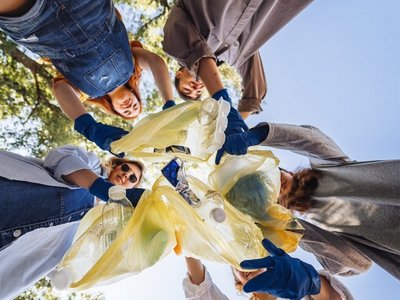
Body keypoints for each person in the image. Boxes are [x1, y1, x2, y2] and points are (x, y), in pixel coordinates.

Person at [216, 122, 400, 281]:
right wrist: (287, 226)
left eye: (269, 175)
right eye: (266, 190)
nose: (276, 184)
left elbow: (313, 139)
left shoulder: (328, 169)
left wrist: (260, 135)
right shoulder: (313, 228)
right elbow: (356, 262)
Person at [0, 0, 174, 153]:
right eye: (135, 106)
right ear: (136, 94)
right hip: (91, 8)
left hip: (43, 31)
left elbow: (60, 89)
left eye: (126, 112)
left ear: (113, 108)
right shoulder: (135, 65)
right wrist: (169, 102)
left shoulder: (84, 93)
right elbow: (155, 62)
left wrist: (88, 126)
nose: (130, 107)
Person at [162, 0, 313, 119]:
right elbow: (255, 93)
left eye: (187, 88)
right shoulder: (234, 54)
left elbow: (197, 54)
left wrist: (220, 98)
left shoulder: (173, 42)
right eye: (199, 91)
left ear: (179, 74)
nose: (195, 89)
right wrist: (233, 128)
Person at [0, 145, 145, 249]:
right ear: (116, 166)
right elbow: (60, 158)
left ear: (133, 189)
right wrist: (100, 187)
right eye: (126, 168)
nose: (127, 175)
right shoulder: (92, 166)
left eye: (132, 179)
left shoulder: (100, 220)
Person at [183, 239, 353, 300]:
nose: (243, 266)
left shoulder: (295, 288)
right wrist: (189, 236)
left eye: (252, 258)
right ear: (239, 283)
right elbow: (200, 289)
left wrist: (311, 282)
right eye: (238, 264)